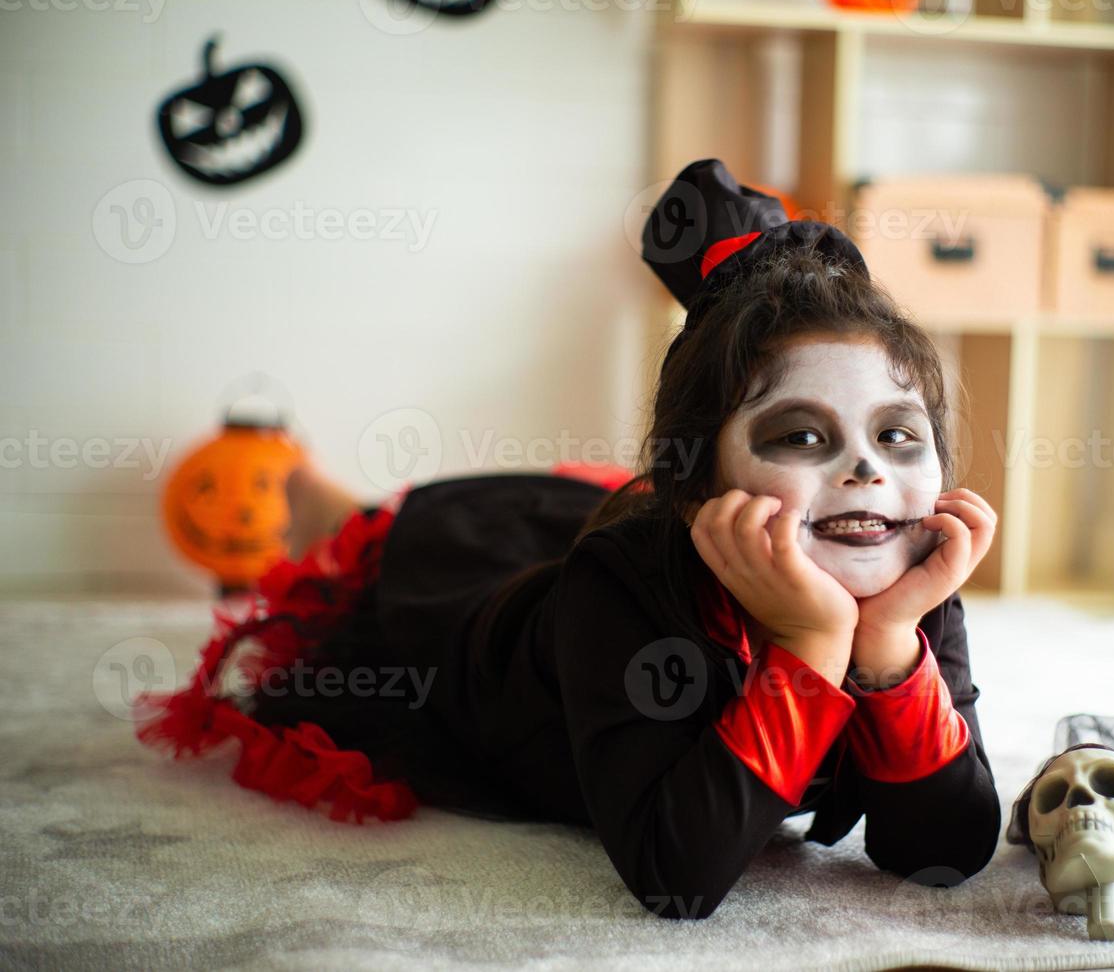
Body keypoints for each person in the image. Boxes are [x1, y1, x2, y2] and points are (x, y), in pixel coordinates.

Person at [137, 159, 1003, 920]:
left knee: (561, 506)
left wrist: (887, 647)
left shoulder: (906, 578)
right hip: (485, 639)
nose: (865, 473)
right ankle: (320, 493)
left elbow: (942, 853)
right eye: (802, 438)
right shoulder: (613, 591)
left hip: (602, 537)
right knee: (402, 546)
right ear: (699, 480)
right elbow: (679, 880)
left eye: (897, 436)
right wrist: (815, 642)